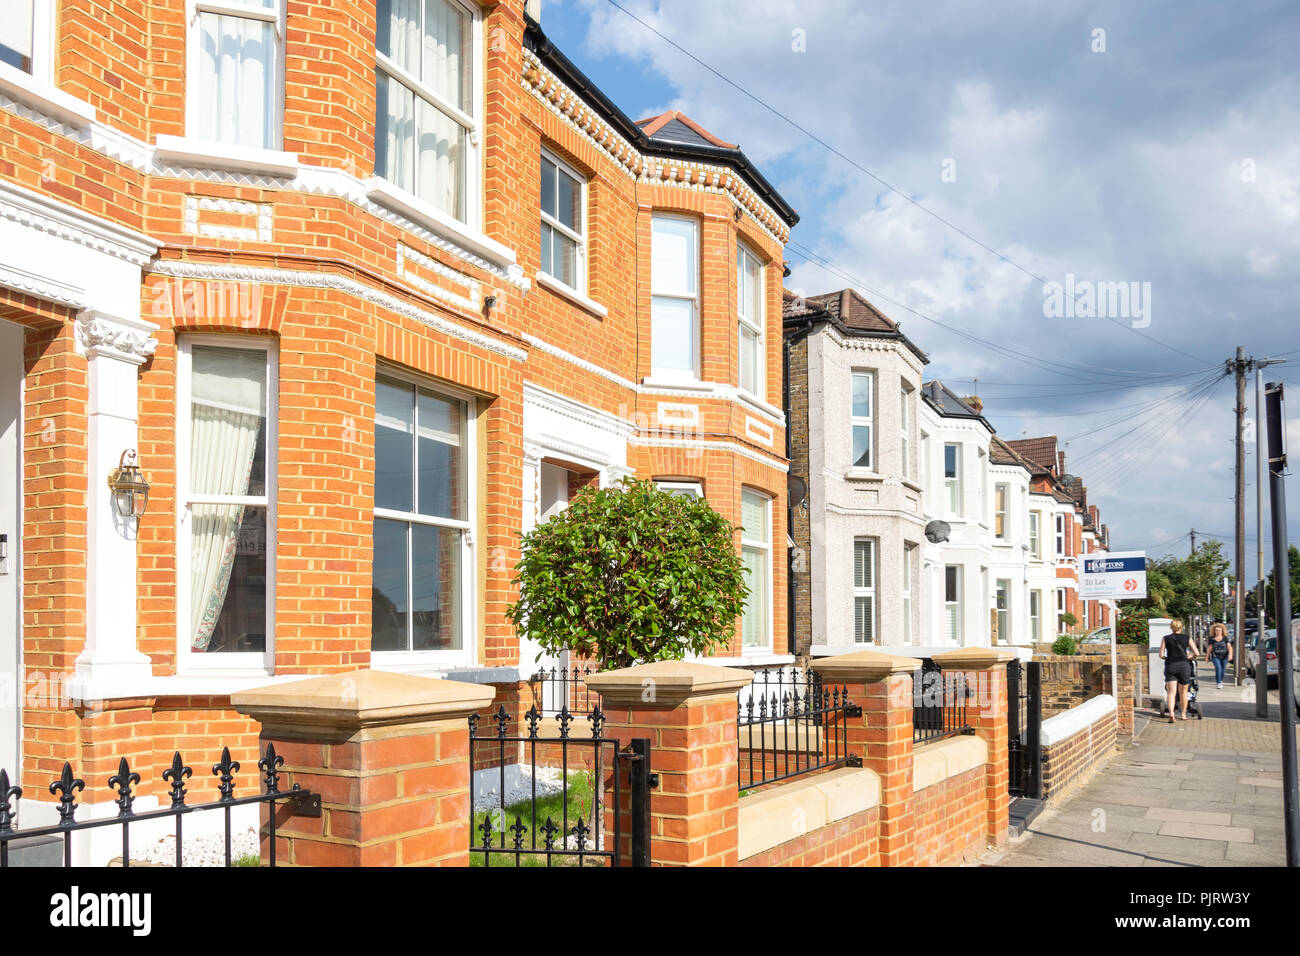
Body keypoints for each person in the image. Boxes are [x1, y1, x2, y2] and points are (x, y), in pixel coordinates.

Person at [1159, 619, 1200, 723]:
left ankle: (1171, 714)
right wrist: (1190, 657)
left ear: (1171, 627)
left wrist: (1166, 658)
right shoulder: (1187, 638)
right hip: (1184, 666)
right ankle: (1183, 714)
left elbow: (1161, 654)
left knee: (1171, 692)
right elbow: (1197, 653)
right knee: (1183, 692)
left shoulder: (1166, 638)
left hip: (1170, 666)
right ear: (1181, 627)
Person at [1206, 621, 1233, 689]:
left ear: (1222, 631)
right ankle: (1219, 682)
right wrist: (1207, 657)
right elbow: (1209, 648)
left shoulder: (1225, 638)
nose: (1218, 632)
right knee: (1218, 668)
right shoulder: (1212, 639)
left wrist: (1230, 655)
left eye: (1219, 630)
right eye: (1216, 630)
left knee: (1223, 669)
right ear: (1214, 631)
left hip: (1225, 656)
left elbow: (1230, 647)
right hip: (1215, 656)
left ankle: (1221, 680)